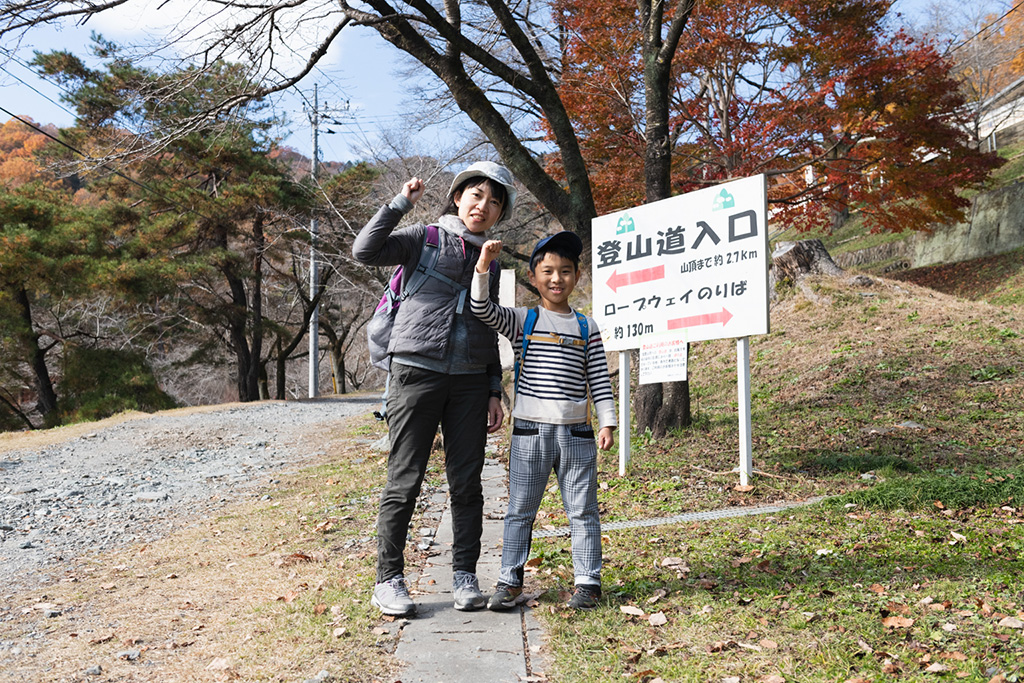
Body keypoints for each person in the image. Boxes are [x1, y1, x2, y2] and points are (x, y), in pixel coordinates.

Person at [352, 161, 516, 616]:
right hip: (413, 372)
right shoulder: (423, 237)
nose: (484, 206)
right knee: (405, 479)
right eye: (476, 195)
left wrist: (492, 387)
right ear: (458, 196)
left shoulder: (493, 258)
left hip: (467, 382)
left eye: (494, 201)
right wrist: (400, 203)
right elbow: (364, 250)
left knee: (467, 483)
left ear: (501, 213)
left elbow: (486, 322)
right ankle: (389, 580)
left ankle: (465, 575)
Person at [469, 231, 616, 611]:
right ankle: (509, 580)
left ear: (577, 277)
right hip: (530, 432)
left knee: (583, 510)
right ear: (533, 278)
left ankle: (588, 583)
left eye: (565, 271)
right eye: (547, 271)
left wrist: (607, 422)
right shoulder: (524, 320)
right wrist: (483, 266)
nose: (556, 279)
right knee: (520, 508)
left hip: (578, 434)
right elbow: (482, 308)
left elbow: (599, 378)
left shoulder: (588, 327)